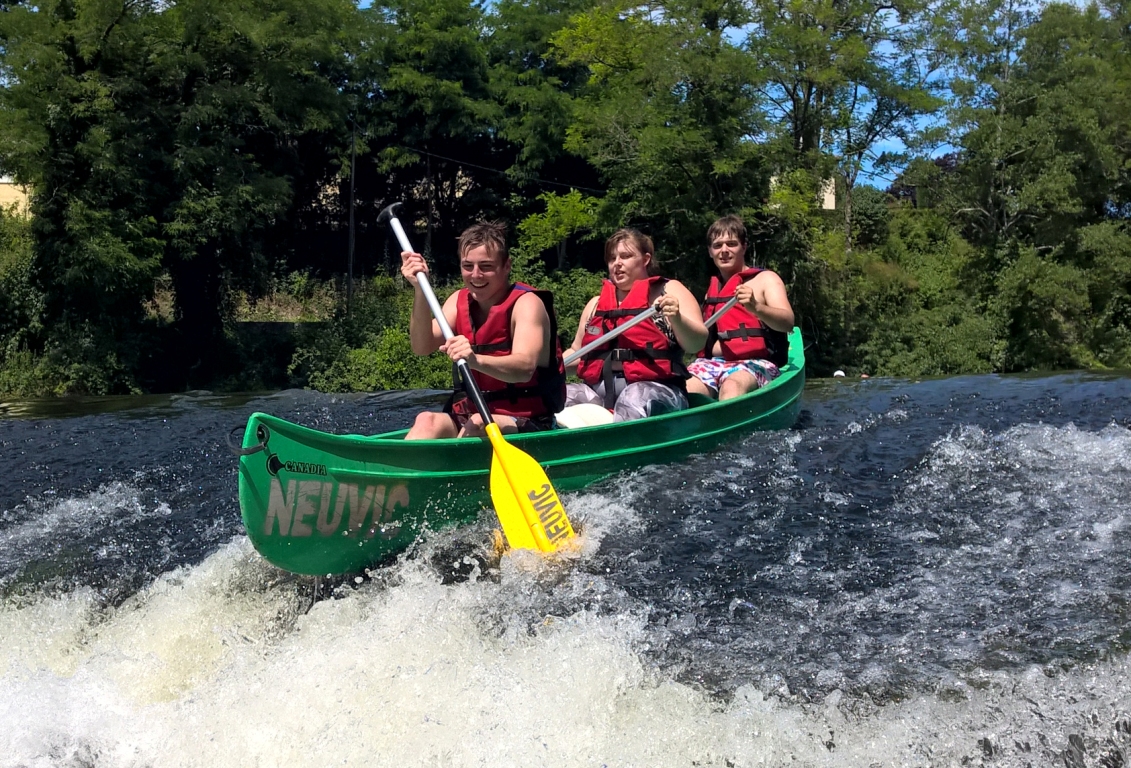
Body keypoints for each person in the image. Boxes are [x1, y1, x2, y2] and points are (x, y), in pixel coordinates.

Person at [400, 221, 566, 439]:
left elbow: (524, 368)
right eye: (468, 266)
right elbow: (421, 347)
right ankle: (402, 464)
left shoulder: (527, 304)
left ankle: (456, 460)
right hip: (473, 413)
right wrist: (420, 290)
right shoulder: (458, 301)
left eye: (486, 266)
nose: (475, 275)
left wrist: (475, 360)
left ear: (506, 266)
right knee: (426, 421)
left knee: (479, 424)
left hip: (528, 419)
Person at [563, 228, 707, 422]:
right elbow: (577, 352)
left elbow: (697, 343)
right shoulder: (596, 304)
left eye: (626, 256)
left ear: (645, 259)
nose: (617, 263)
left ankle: (624, 439)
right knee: (561, 397)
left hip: (658, 391)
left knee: (633, 397)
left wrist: (677, 318)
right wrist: (545, 370)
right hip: (601, 394)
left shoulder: (668, 292)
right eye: (612, 258)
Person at [686, 215, 794, 401]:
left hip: (757, 363)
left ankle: (732, 418)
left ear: (744, 247)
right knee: (687, 389)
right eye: (717, 246)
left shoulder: (766, 279)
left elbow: (788, 322)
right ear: (710, 252)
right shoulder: (712, 290)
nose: (724, 251)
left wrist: (756, 307)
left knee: (732, 387)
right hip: (714, 363)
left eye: (731, 244)